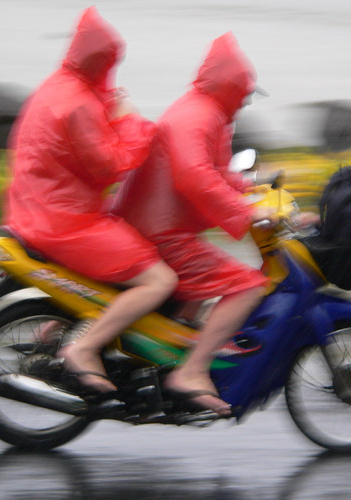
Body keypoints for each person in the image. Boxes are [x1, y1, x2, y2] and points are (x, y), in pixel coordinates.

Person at [2, 6, 177, 398]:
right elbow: (110, 166)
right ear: (103, 60)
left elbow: (80, 149)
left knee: (125, 253)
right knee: (158, 279)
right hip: (65, 222)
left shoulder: (57, 86)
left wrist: (108, 110)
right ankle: (82, 349)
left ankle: (54, 332)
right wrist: (130, 119)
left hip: (30, 210)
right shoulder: (79, 103)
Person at [113, 33, 271, 416]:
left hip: (160, 227)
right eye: (245, 92)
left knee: (211, 274)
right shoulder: (199, 117)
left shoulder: (208, 113)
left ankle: (171, 352)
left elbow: (216, 172)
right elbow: (194, 177)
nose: (247, 100)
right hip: (160, 233)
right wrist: (243, 213)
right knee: (247, 285)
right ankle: (192, 370)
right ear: (231, 87)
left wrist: (253, 191)